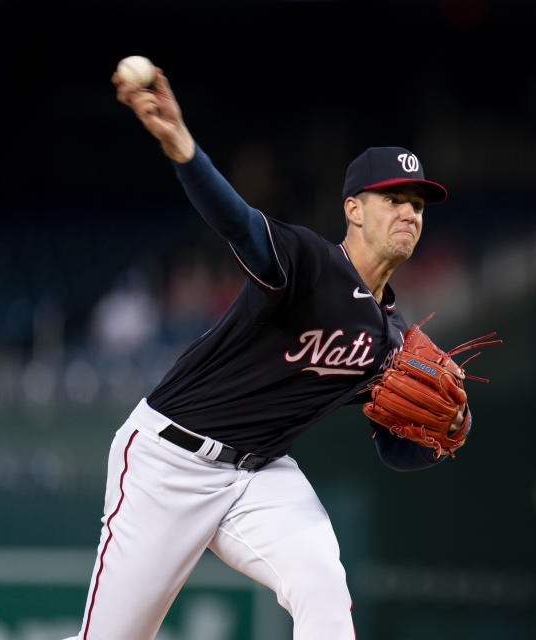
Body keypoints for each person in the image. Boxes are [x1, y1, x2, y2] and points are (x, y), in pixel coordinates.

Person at [66, 62, 468, 640]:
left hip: (258, 476)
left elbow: (394, 449)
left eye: (418, 205)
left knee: (323, 585)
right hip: (166, 463)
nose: (408, 212)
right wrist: (180, 141)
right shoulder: (307, 262)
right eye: (393, 198)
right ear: (353, 209)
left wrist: (445, 430)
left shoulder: (390, 339)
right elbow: (237, 222)